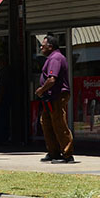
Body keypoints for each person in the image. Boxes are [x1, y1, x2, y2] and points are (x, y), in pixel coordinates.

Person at [34, 34, 75, 163]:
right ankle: (53, 152)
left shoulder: (55, 58)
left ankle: (67, 154)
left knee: (59, 124)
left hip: (57, 96)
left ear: (50, 47)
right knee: (46, 123)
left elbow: (52, 79)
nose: (41, 47)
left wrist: (41, 90)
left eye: (43, 45)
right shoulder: (51, 58)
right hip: (49, 98)